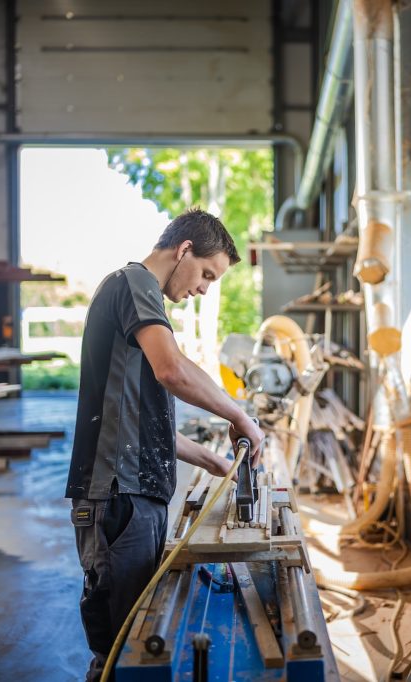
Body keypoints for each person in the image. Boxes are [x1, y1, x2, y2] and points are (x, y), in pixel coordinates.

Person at [64, 207, 265, 681]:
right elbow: (172, 369)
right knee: (124, 652)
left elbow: (143, 426)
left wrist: (214, 462)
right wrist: (239, 414)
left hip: (135, 497)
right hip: (116, 498)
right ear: (185, 250)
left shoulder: (139, 303)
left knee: (141, 640)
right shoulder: (134, 284)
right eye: (207, 275)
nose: (202, 288)